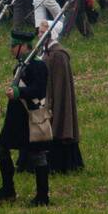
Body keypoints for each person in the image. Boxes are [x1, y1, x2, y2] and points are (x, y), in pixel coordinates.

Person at [0, 30, 50, 206]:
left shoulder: (38, 65)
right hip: (16, 118)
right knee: (1, 147)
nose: (11, 49)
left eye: (14, 46)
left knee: (38, 155)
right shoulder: (21, 65)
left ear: (24, 46)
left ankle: (42, 196)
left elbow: (39, 90)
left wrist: (19, 92)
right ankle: (8, 189)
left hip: (30, 115)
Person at [42, 25, 82, 175]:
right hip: (48, 98)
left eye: (42, 32)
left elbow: (60, 86)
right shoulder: (47, 52)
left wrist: (54, 102)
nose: (39, 35)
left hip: (56, 99)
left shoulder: (58, 55)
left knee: (59, 125)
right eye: (39, 32)